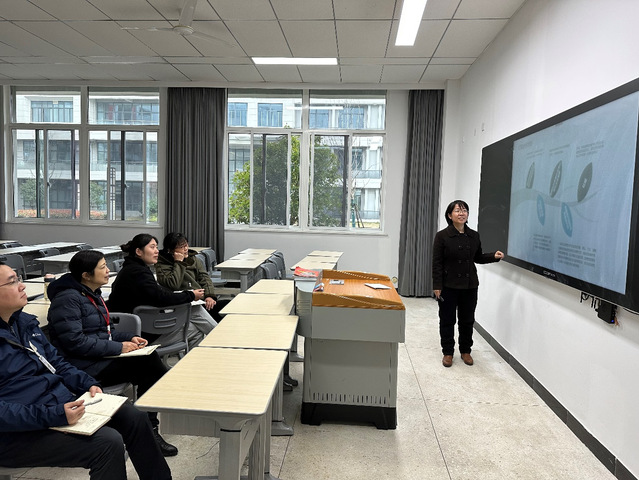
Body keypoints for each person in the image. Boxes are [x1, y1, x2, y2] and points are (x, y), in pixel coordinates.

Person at [0, 262, 172, 480]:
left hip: (53, 406)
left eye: (18, 279)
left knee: (133, 416)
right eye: (12, 282)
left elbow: (56, 362)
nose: (22, 285)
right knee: (107, 443)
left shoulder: (24, 323)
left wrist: (87, 383)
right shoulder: (65, 302)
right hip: (15, 433)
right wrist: (54, 415)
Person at [46, 250, 178, 457]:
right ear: (86, 275)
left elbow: (105, 332)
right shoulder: (68, 299)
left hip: (98, 357)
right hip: (81, 366)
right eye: (102, 267)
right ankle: (148, 431)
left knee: (149, 361)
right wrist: (119, 348)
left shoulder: (91, 293)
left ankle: (147, 426)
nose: (108, 271)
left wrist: (129, 338)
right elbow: (74, 342)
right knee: (150, 368)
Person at [432, 200, 504, 368]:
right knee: (447, 320)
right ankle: (448, 352)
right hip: (448, 285)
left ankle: (466, 351)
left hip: (469, 285)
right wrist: (437, 285)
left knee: (467, 320)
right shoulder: (442, 236)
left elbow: (478, 257)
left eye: (464, 210)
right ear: (450, 215)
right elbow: (437, 263)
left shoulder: (474, 236)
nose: (461, 213)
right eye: (457, 211)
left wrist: (493, 256)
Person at [107, 233, 211, 348]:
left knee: (195, 322)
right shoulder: (138, 272)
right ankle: (221, 340)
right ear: (139, 252)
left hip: (142, 325)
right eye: (152, 247)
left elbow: (157, 294)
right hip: (141, 334)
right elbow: (161, 298)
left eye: (156, 247)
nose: (157, 251)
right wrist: (191, 295)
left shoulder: (133, 268)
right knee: (195, 319)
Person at [156, 232, 224, 323]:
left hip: (201, 299)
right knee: (217, 316)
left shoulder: (193, 258)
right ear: (171, 250)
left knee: (227, 305)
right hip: (185, 304)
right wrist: (178, 263)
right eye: (181, 247)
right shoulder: (162, 264)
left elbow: (204, 277)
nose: (186, 249)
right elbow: (173, 285)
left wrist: (209, 296)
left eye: (186, 245)